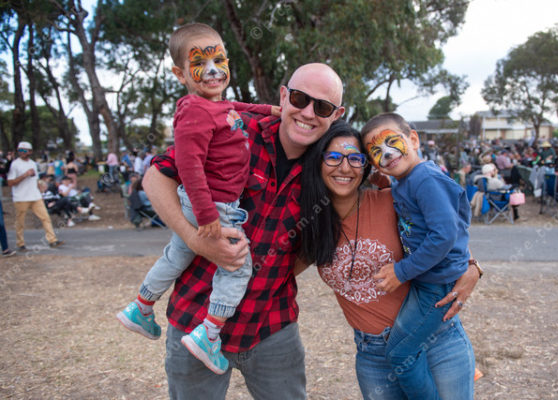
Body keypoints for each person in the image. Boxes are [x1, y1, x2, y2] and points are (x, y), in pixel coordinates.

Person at [141, 62, 475, 399]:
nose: (308, 113)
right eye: (300, 98)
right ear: (284, 96)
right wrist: (195, 240)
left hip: (271, 328)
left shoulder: (341, 176)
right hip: (196, 319)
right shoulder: (235, 129)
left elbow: (434, 224)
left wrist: (471, 265)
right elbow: (155, 177)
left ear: (337, 114)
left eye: (323, 107)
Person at [116, 23, 278, 375]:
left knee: (176, 254)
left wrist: (272, 111)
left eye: (219, 60)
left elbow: (241, 105)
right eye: (200, 64)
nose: (213, 70)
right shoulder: (193, 111)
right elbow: (188, 169)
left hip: (209, 204)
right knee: (238, 266)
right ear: (180, 74)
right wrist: (207, 218)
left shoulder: (216, 105)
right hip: (214, 205)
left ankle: (141, 307)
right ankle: (209, 333)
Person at [298, 120, 479, 399]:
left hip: (437, 340)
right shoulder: (311, 225)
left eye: (355, 159)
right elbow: (276, 272)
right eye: (333, 157)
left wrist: (473, 266)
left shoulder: (392, 199)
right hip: (373, 354)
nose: (344, 167)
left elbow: (446, 233)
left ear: (365, 166)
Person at [356, 113, 473, 399]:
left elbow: (444, 235)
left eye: (392, 142)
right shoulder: (406, 179)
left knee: (400, 354)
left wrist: (401, 271)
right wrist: (382, 181)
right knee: (402, 351)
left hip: (436, 284)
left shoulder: (425, 178)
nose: (387, 154)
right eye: (376, 152)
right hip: (429, 280)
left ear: (413, 139)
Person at [6, 141, 64, 250]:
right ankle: (20, 243)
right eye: (20, 150)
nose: (22, 152)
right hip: (21, 197)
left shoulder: (33, 163)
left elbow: (35, 180)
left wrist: (41, 192)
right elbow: (10, 182)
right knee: (20, 222)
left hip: (35, 196)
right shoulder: (15, 164)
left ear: (30, 152)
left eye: (24, 150)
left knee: (45, 218)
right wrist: (25, 175)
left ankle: (52, 240)